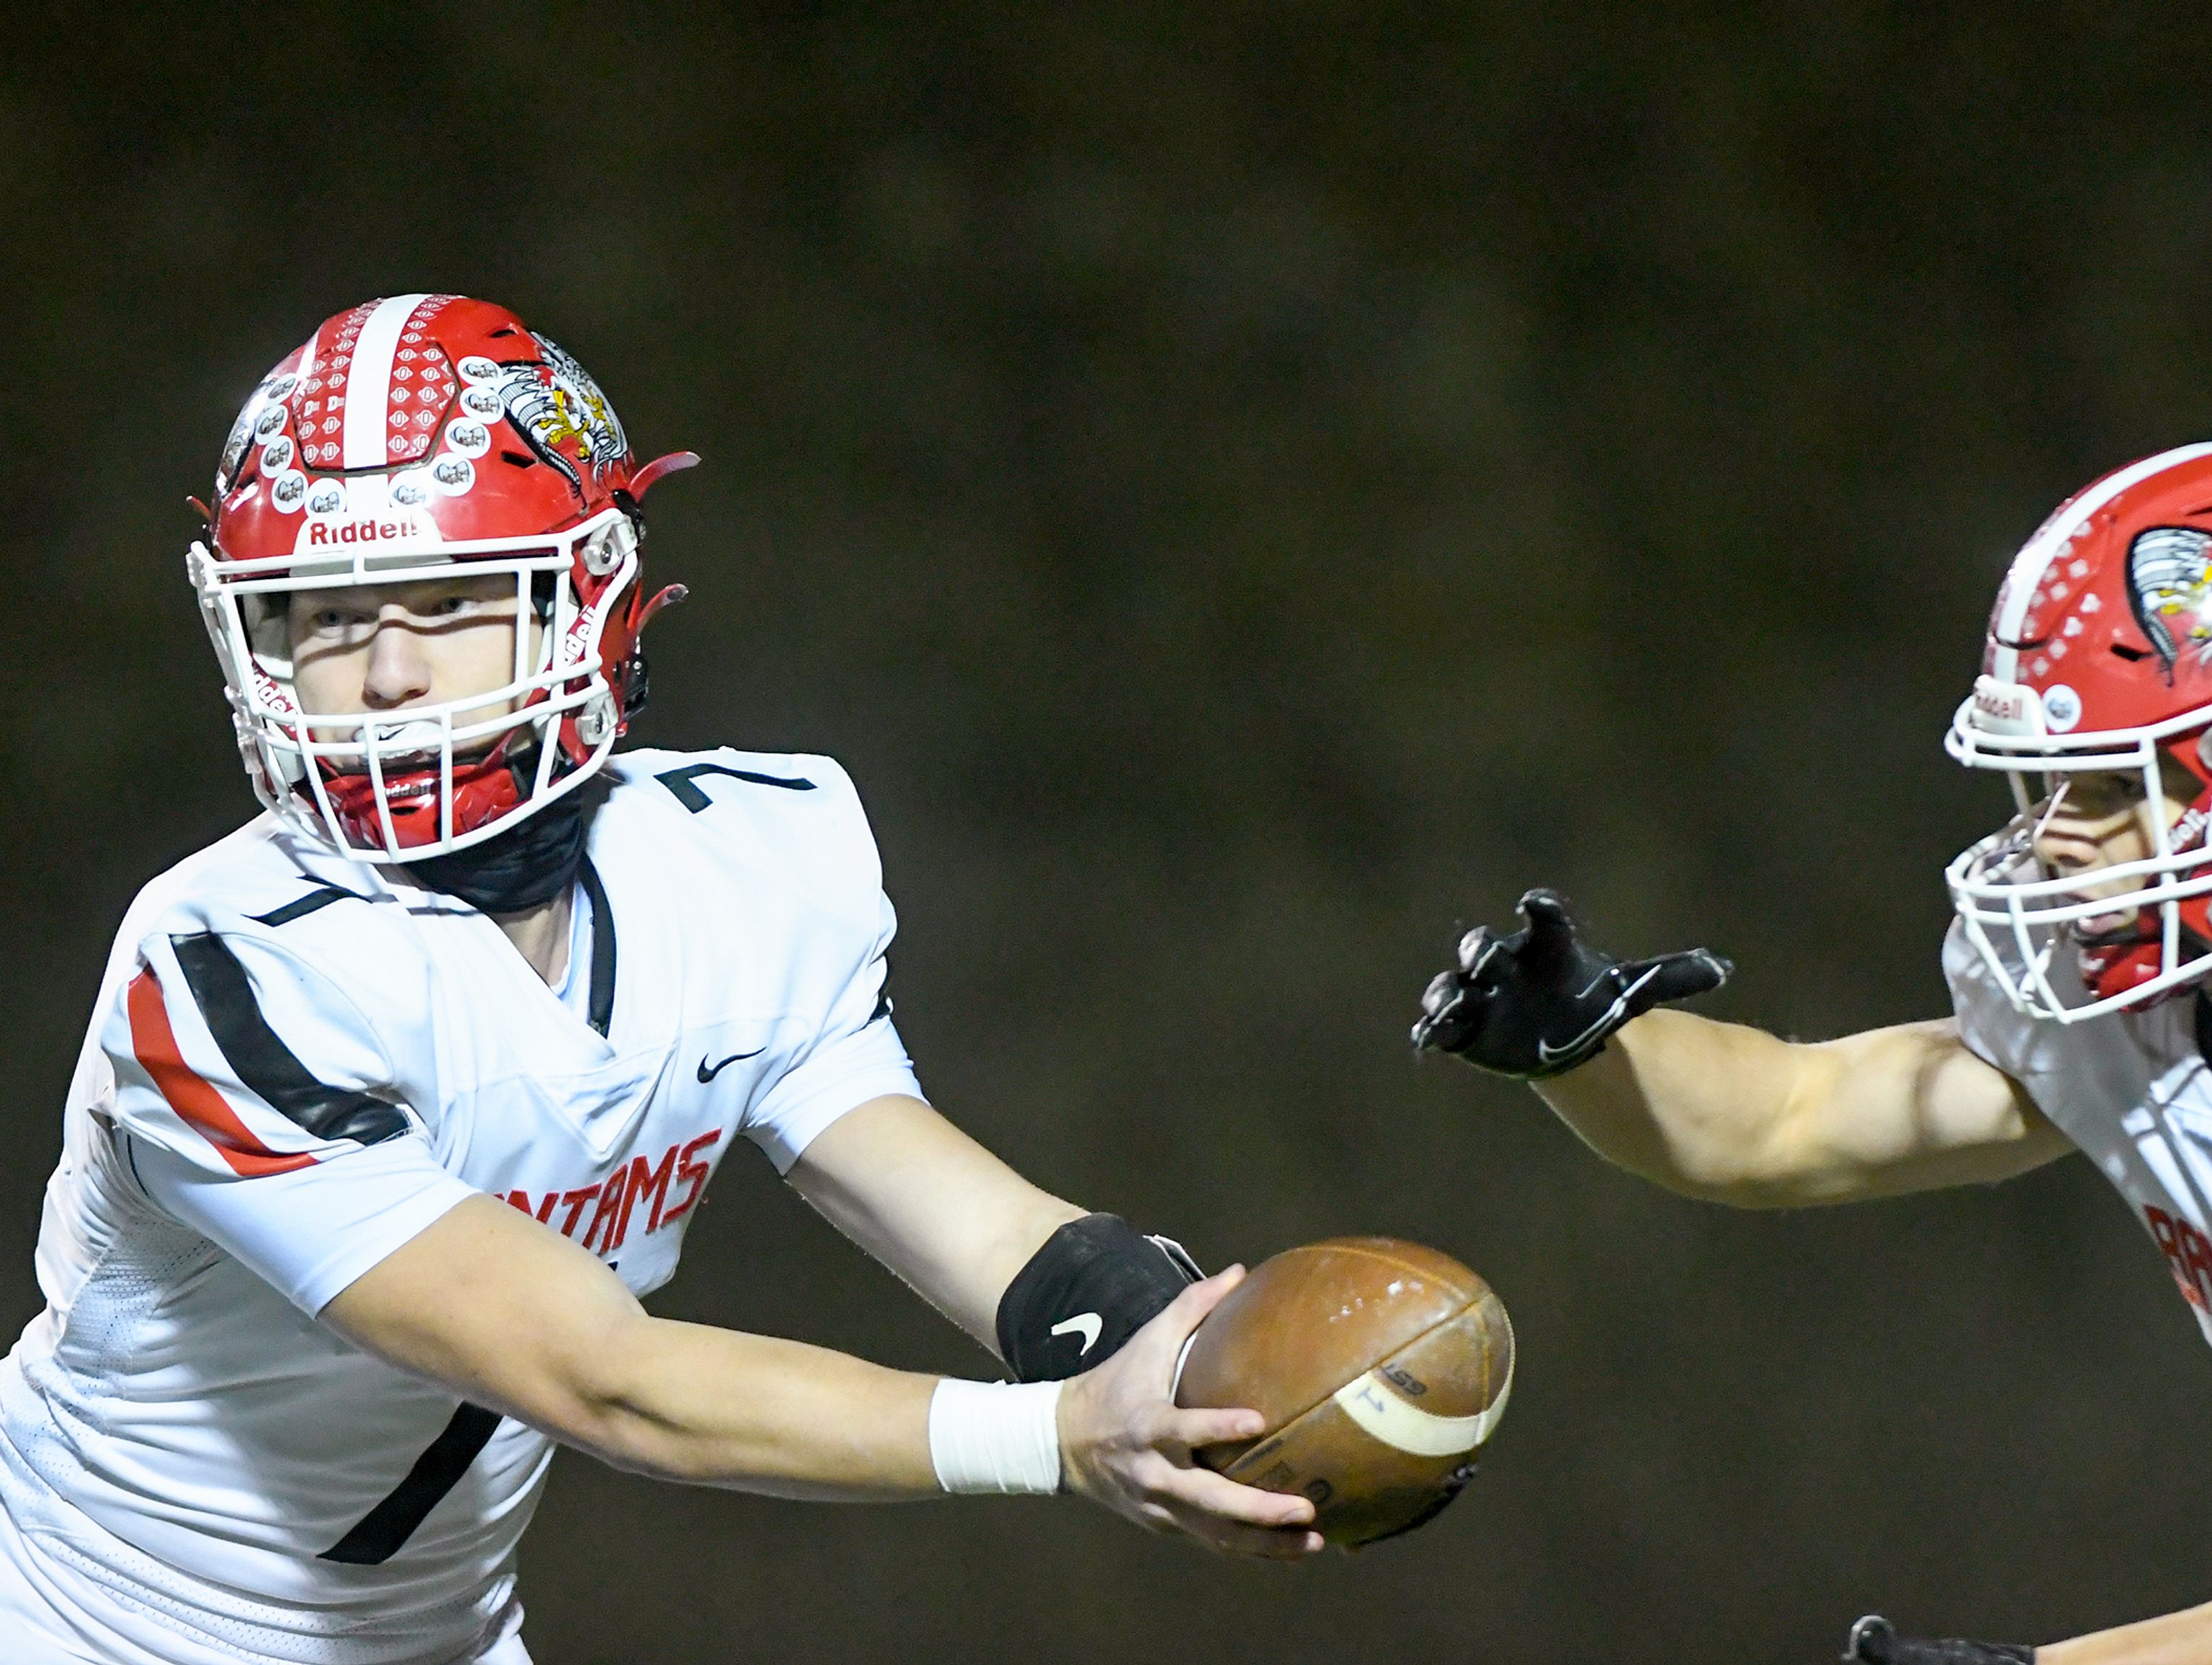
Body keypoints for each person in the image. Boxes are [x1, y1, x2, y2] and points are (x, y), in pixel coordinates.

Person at [0, 294, 1317, 1665]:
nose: (386, 674)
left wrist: (1181, 1345)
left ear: (588, 595)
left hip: (442, 1636)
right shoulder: (231, 968)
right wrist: (1051, 1435)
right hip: (95, 1628)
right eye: (324, 616)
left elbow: (956, 1213)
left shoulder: (737, 859)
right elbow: (608, 1381)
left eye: (447, 600)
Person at [1415, 441, 2212, 1665]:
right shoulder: (2138, 988)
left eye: (2112, 785)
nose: (2053, 843)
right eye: (2043, 785)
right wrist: (1577, 1048)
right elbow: (1783, 1121)